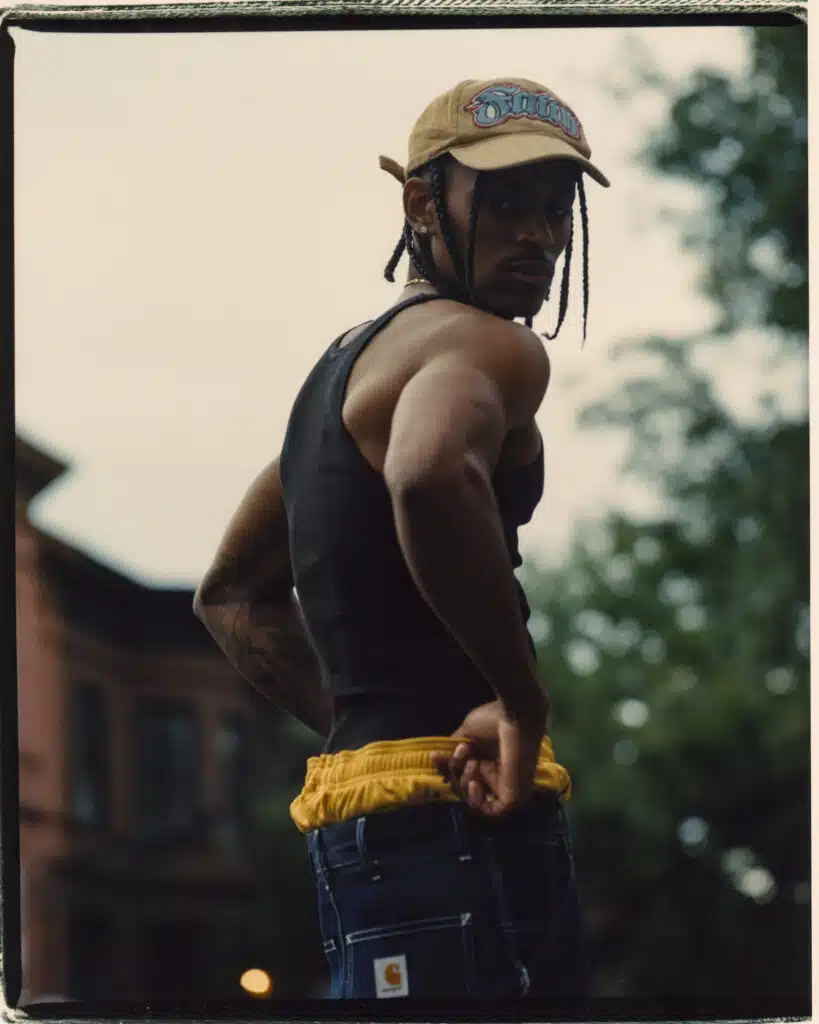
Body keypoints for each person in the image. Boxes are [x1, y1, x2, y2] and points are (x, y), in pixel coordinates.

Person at [193, 77, 609, 1001]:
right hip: (466, 813)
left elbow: (229, 595)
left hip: (363, 827)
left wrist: (366, 731)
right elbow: (428, 477)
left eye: (556, 208)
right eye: (503, 203)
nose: (539, 235)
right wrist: (517, 701)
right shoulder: (487, 346)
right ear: (421, 204)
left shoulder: (344, 375)